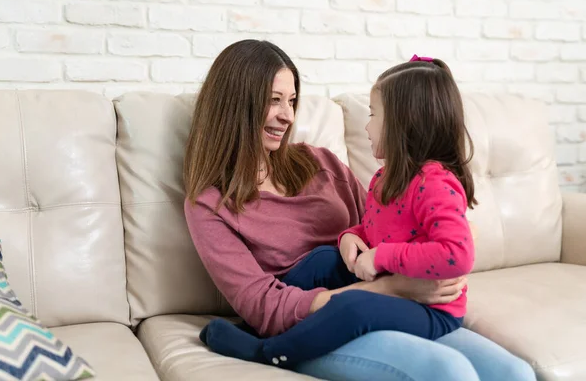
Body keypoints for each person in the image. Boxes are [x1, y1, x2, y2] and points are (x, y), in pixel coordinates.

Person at [184, 39, 536, 381]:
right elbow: (264, 307)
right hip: (313, 324)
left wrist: (445, 249)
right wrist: (396, 288)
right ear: (235, 104)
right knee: (447, 371)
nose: (287, 115)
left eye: (291, 101)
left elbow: (383, 226)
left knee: (514, 373)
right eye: (274, 101)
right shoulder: (210, 204)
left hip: (385, 301)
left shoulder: (320, 163)